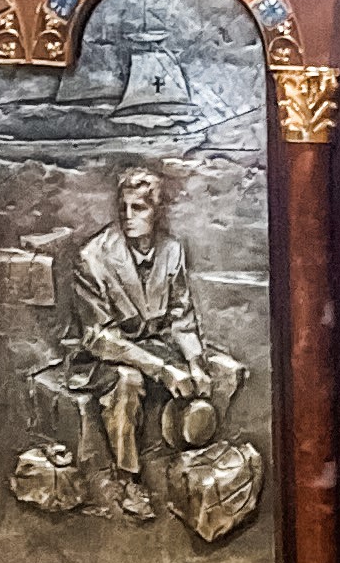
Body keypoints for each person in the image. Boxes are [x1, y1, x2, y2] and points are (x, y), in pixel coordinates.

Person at [67, 167, 233, 522]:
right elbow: (99, 338)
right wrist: (162, 368)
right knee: (129, 382)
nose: (128, 217)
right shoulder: (92, 258)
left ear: (157, 210)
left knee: (221, 370)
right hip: (102, 357)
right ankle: (129, 479)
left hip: (155, 346)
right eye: (123, 207)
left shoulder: (172, 250)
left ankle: (199, 460)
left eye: (139, 208)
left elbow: (181, 316)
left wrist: (195, 363)